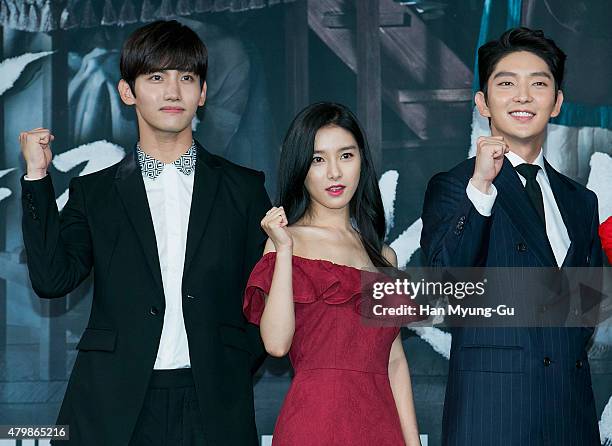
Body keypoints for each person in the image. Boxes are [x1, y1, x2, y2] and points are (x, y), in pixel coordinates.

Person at [19, 20, 269, 446]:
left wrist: (229, 358)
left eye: (186, 78)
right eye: (156, 77)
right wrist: (37, 178)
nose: (173, 92)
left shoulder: (243, 188)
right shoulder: (95, 192)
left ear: (203, 93)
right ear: (127, 91)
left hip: (213, 401)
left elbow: (263, 295)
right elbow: (51, 279)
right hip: (115, 401)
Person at [420, 27, 603, 445]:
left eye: (538, 83)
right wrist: (481, 186)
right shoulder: (456, 187)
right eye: (506, 83)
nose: (523, 96)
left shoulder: (581, 201)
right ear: (482, 101)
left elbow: (586, 309)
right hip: (495, 414)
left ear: (556, 102)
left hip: (570, 415)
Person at [243, 102, 421, 445]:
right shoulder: (287, 243)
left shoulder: (384, 256)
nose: (335, 173)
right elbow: (276, 344)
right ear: (301, 168)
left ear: (361, 162)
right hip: (315, 424)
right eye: (318, 159)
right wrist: (283, 249)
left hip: (381, 426)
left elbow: (395, 361)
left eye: (346, 155)